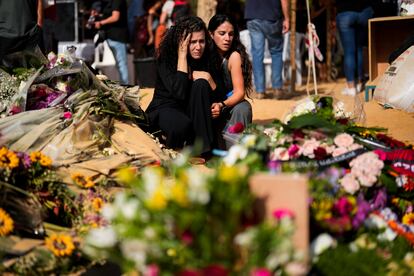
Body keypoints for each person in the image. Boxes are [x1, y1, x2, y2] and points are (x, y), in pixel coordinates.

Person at [145, 16, 224, 156]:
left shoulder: (208, 57)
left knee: (201, 84)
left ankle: (203, 151)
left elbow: (219, 93)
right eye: (192, 42)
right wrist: (182, 55)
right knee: (181, 124)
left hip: (189, 107)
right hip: (165, 107)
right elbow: (179, 92)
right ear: (181, 42)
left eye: (201, 41)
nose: (198, 47)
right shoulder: (166, 58)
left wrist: (208, 78)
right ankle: (172, 151)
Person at [208, 14, 253, 133]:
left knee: (243, 108)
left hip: (227, 105)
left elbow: (239, 92)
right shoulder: (202, 52)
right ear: (211, 34)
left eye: (231, 34)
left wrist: (221, 105)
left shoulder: (234, 56)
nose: (227, 38)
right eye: (222, 33)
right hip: (206, 106)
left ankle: (236, 148)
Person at [244, 0, 290, 99]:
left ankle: (260, 91)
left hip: (253, 16)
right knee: (276, 52)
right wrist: (286, 18)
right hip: (272, 16)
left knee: (257, 54)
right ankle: (277, 89)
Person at [336, 0, 374, 95]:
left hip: (345, 13)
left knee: (349, 51)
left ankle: (351, 87)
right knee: (359, 49)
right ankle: (359, 83)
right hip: (363, 13)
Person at [95, 0, 130, 85]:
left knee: (121, 65)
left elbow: (115, 17)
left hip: (118, 37)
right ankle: (124, 86)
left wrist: (101, 22)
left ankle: (126, 86)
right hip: (111, 37)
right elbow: (110, 15)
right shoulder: (109, 2)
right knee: (120, 65)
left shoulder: (117, 1)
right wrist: (98, 16)